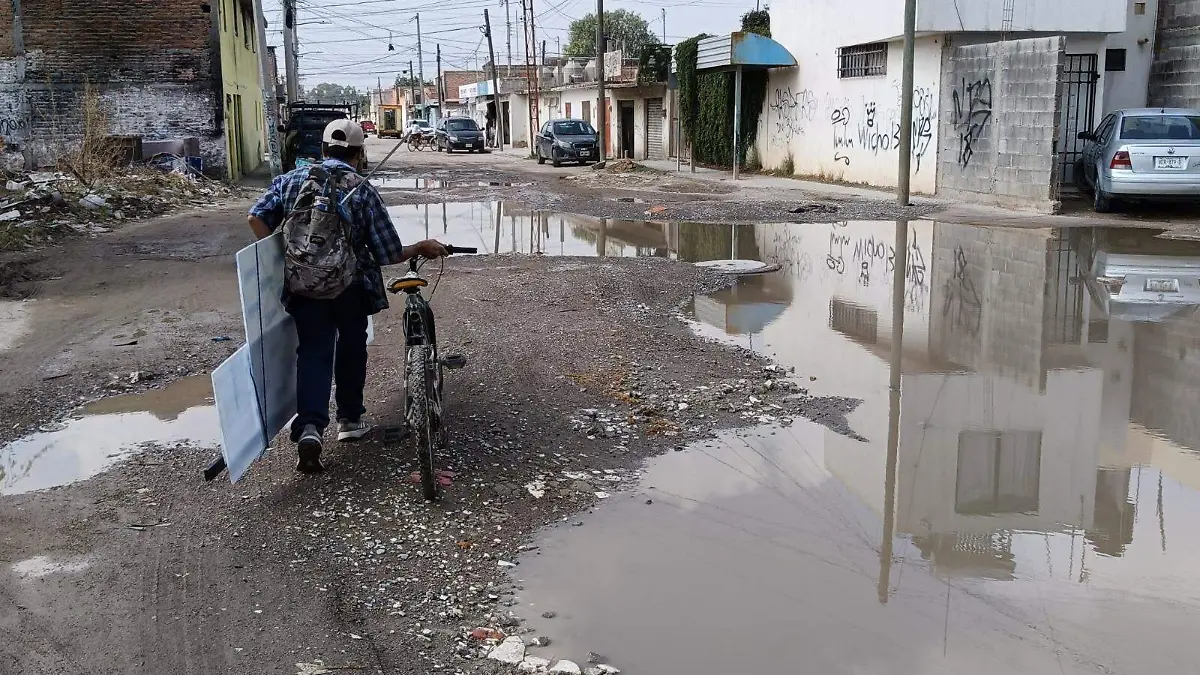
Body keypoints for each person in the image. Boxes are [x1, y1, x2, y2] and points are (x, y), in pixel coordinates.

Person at [248, 118, 448, 473]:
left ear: (323, 149)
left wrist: (290, 259)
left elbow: (256, 218)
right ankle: (350, 420)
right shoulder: (361, 188)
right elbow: (387, 252)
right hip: (350, 287)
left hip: (304, 287)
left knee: (313, 351)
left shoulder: (291, 181)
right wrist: (420, 246)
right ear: (359, 153)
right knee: (352, 345)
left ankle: (310, 428)